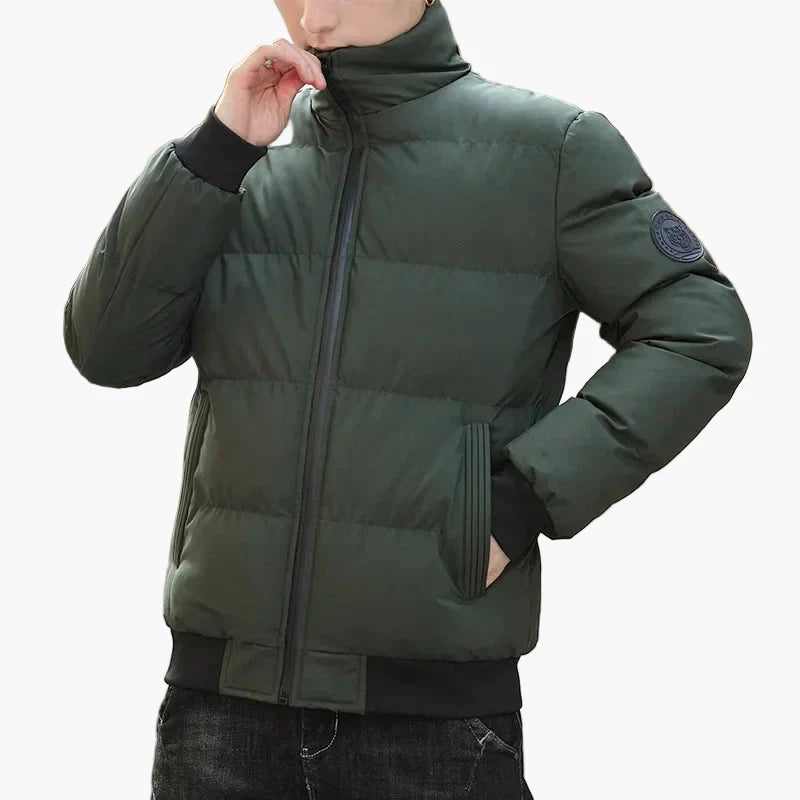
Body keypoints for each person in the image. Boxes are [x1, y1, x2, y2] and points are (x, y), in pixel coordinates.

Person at [62, 0, 753, 797]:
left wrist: (521, 498)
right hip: (219, 716)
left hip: (429, 726)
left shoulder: (550, 151)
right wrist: (218, 150)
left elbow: (700, 328)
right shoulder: (244, 164)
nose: (314, 12)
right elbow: (107, 351)